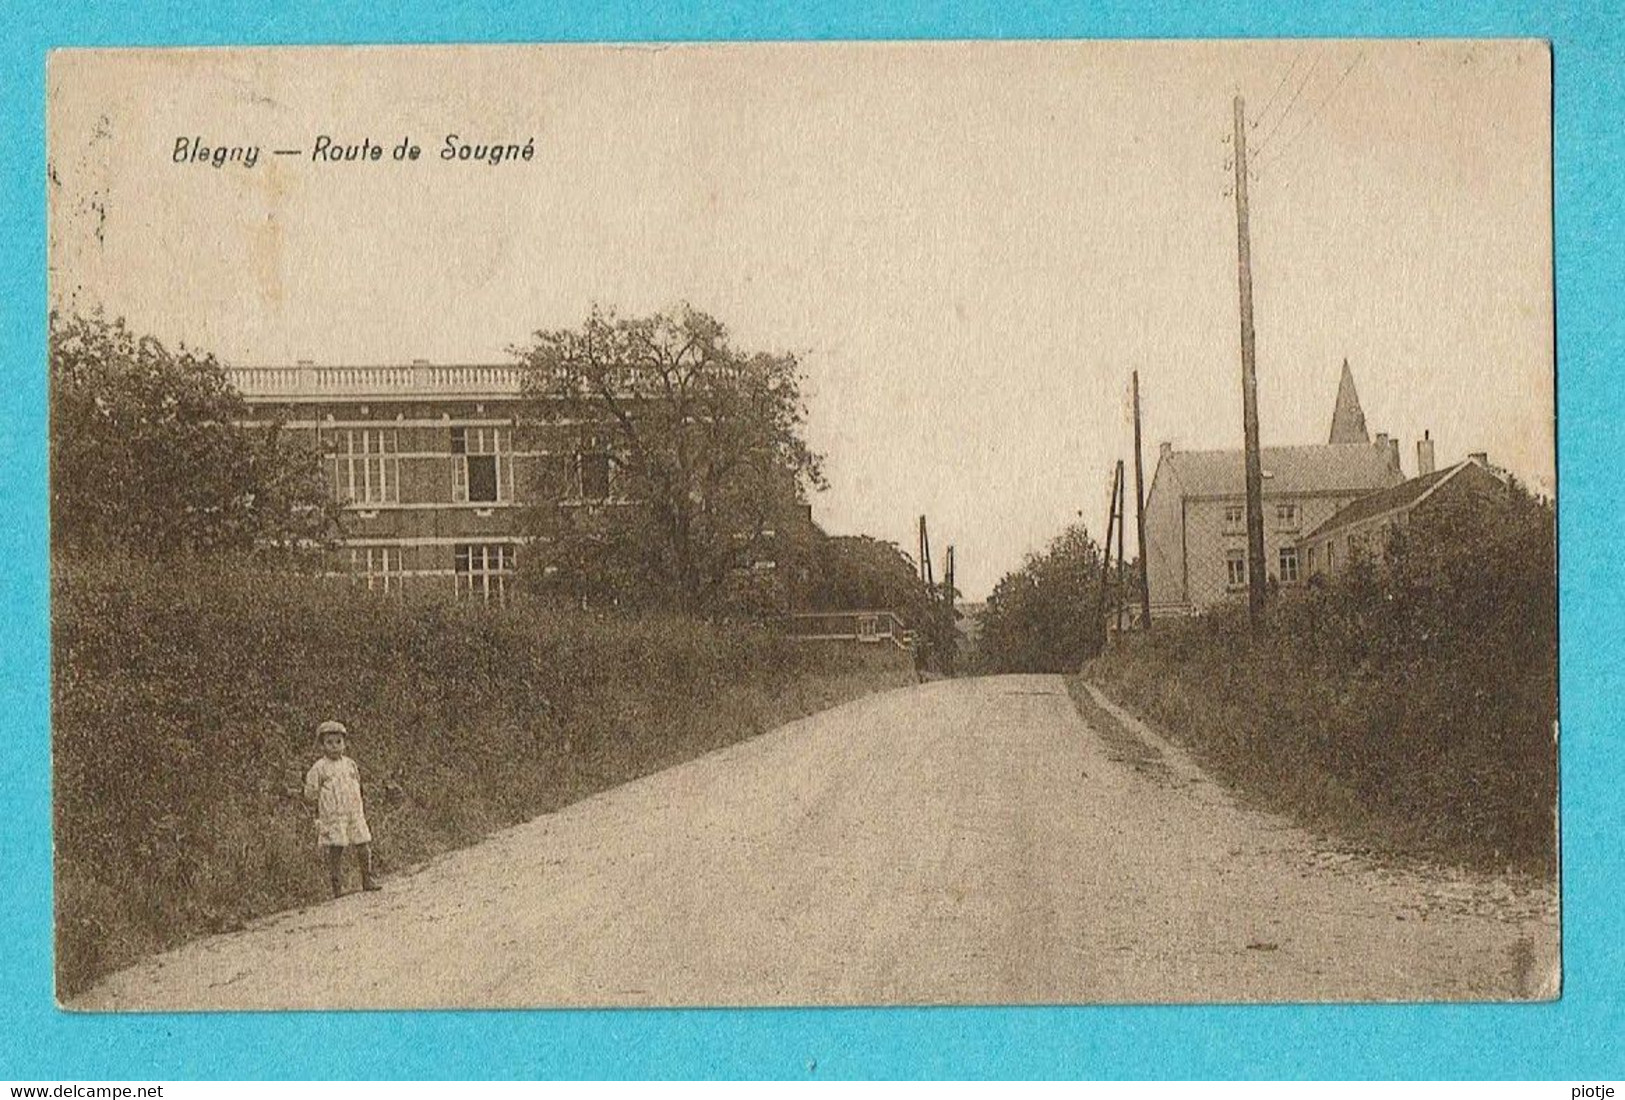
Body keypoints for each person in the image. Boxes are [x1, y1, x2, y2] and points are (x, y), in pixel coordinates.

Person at [303, 719, 381, 897]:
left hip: (353, 812)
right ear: (322, 745)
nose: (335, 747)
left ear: (344, 743)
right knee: (336, 848)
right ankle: (337, 886)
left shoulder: (350, 764)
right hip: (333, 815)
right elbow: (311, 792)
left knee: (363, 843)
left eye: (338, 742)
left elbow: (357, 783)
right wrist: (319, 806)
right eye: (329, 743)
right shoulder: (319, 768)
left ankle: (367, 878)